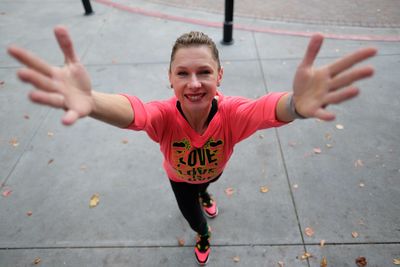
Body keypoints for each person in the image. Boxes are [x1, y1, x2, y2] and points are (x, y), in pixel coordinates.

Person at [8, 26, 376, 266]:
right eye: (183, 73)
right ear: (169, 79)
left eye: (204, 72)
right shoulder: (164, 115)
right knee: (193, 212)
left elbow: (266, 109)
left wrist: (296, 104)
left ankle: (206, 194)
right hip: (178, 178)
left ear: (220, 75)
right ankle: (202, 231)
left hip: (213, 171)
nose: (194, 82)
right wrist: (91, 101)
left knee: (207, 185)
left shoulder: (232, 114)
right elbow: (136, 113)